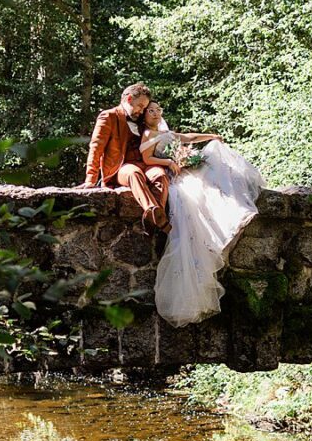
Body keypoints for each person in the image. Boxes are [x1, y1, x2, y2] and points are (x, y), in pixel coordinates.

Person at [138, 102, 264, 327]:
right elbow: (147, 158)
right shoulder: (148, 134)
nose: (156, 113)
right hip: (173, 174)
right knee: (196, 194)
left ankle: (233, 211)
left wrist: (210, 136)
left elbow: (187, 137)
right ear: (144, 115)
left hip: (182, 169)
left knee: (214, 154)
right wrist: (170, 161)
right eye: (151, 111)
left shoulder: (164, 131)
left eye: (158, 110)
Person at [81, 82, 172, 234]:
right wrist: (91, 179)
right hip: (121, 168)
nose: (141, 111)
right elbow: (96, 148)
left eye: (144, 108)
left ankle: (154, 217)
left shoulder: (142, 120)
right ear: (129, 99)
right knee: (133, 173)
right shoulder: (109, 116)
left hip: (145, 163)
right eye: (140, 106)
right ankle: (152, 210)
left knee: (160, 174)